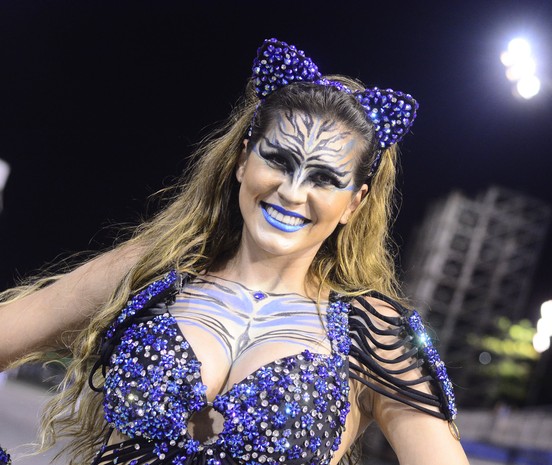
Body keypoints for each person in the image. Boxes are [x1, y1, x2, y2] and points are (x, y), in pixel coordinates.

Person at [0, 38, 469, 465]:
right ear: (244, 160)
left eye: (325, 178)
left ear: (355, 203)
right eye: (279, 161)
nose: (291, 191)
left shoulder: (375, 333)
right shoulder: (151, 270)